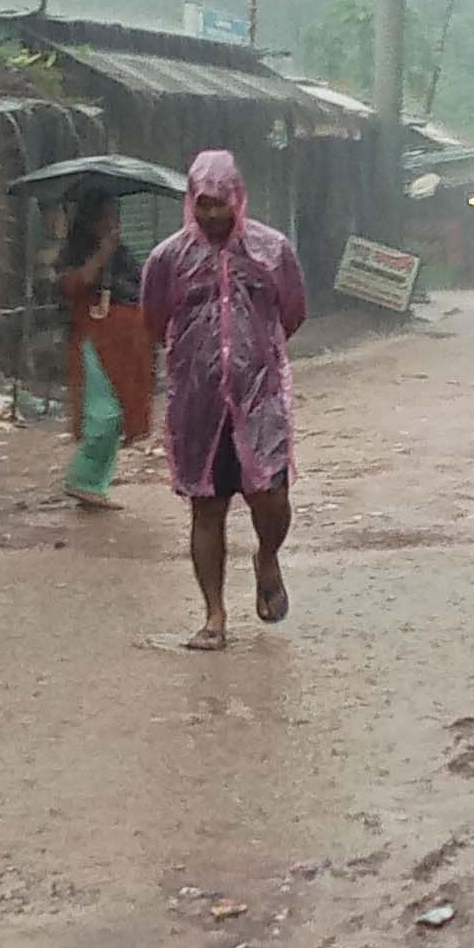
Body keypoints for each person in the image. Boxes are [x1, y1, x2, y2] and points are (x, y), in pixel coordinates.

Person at [139, 150, 307, 651]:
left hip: (260, 401)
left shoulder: (272, 250)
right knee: (206, 508)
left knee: (272, 499)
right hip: (197, 405)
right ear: (192, 201)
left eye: (221, 203)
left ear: (238, 197)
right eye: (203, 203)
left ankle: (268, 557)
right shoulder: (167, 259)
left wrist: (254, 359)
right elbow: (153, 321)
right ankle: (214, 615)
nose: (212, 214)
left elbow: (293, 312)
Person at [57, 190, 151, 509]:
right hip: (94, 341)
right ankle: (81, 479)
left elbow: (140, 286)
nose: (112, 223)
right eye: (105, 216)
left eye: (115, 216)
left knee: (121, 413)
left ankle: (95, 485)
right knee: (103, 414)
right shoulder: (75, 252)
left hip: (125, 346)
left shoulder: (122, 254)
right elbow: (71, 285)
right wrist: (100, 255)